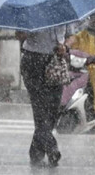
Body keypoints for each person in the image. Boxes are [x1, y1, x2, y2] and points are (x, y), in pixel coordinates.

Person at [15, 24, 74, 167]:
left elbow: (71, 36)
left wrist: (65, 47)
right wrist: (28, 30)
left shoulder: (64, 9)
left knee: (53, 110)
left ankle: (36, 153)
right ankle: (51, 147)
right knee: (40, 109)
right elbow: (19, 35)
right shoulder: (31, 10)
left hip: (55, 61)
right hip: (33, 61)